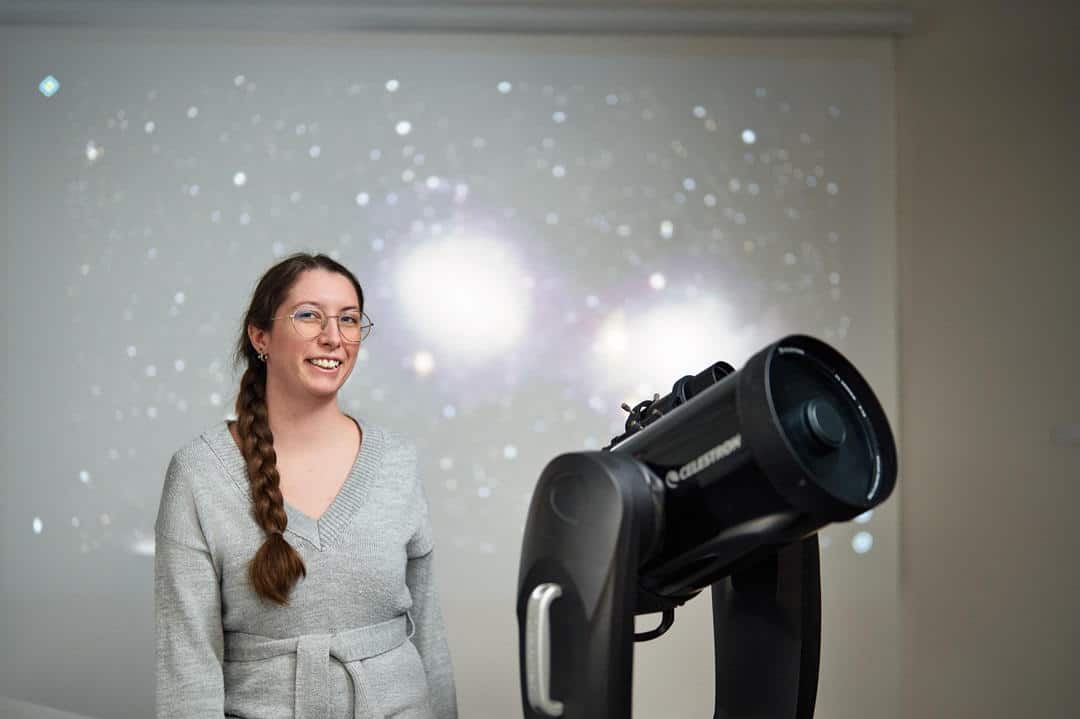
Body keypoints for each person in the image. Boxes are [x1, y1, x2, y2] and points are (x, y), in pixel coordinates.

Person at [154, 252, 457, 719]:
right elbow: (188, 663)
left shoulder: (397, 461)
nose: (333, 337)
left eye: (349, 319)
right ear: (261, 338)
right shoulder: (199, 473)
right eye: (309, 315)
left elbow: (430, 637)